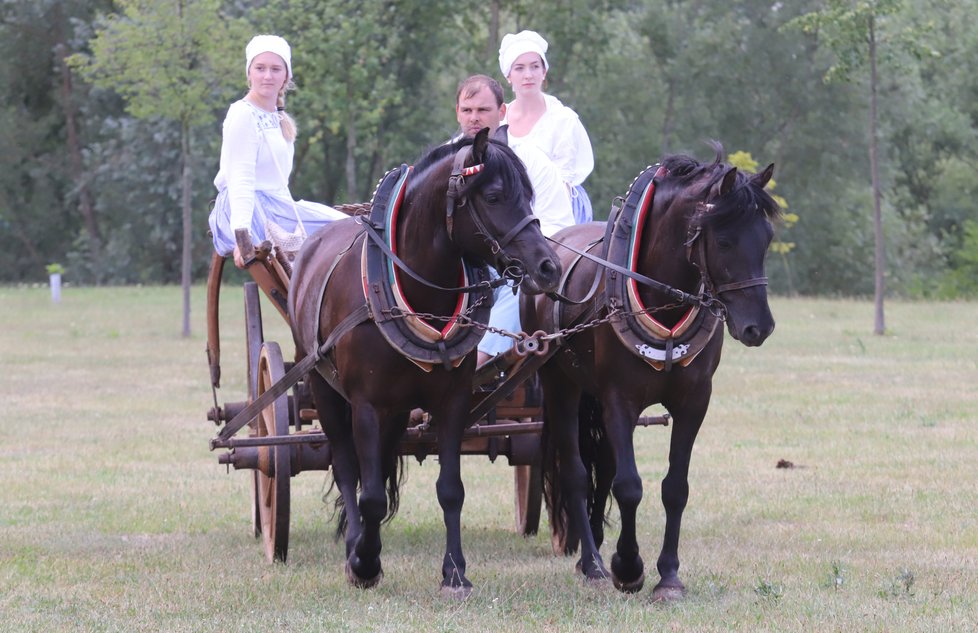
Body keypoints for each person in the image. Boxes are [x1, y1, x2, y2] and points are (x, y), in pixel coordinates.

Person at [454, 74, 575, 365]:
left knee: (516, 287)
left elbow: (559, 226)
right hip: (458, 266)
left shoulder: (529, 160)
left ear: (502, 112)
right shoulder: (447, 161)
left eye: (483, 110)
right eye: (467, 110)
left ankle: (474, 365)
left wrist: (517, 255)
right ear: (456, 112)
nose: (474, 118)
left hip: (509, 266)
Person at [208, 34, 346, 269]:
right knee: (344, 231)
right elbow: (240, 178)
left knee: (349, 226)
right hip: (250, 209)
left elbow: (278, 182)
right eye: (260, 68)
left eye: (275, 69)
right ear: (249, 73)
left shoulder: (278, 117)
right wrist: (243, 236)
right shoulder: (243, 114)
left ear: (286, 76)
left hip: (278, 206)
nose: (267, 76)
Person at [498, 30, 595, 224]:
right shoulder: (499, 118)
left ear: (544, 72)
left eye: (535, 67)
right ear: (508, 75)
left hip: (556, 212)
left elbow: (563, 183)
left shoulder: (563, 120)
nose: (528, 75)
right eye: (519, 68)